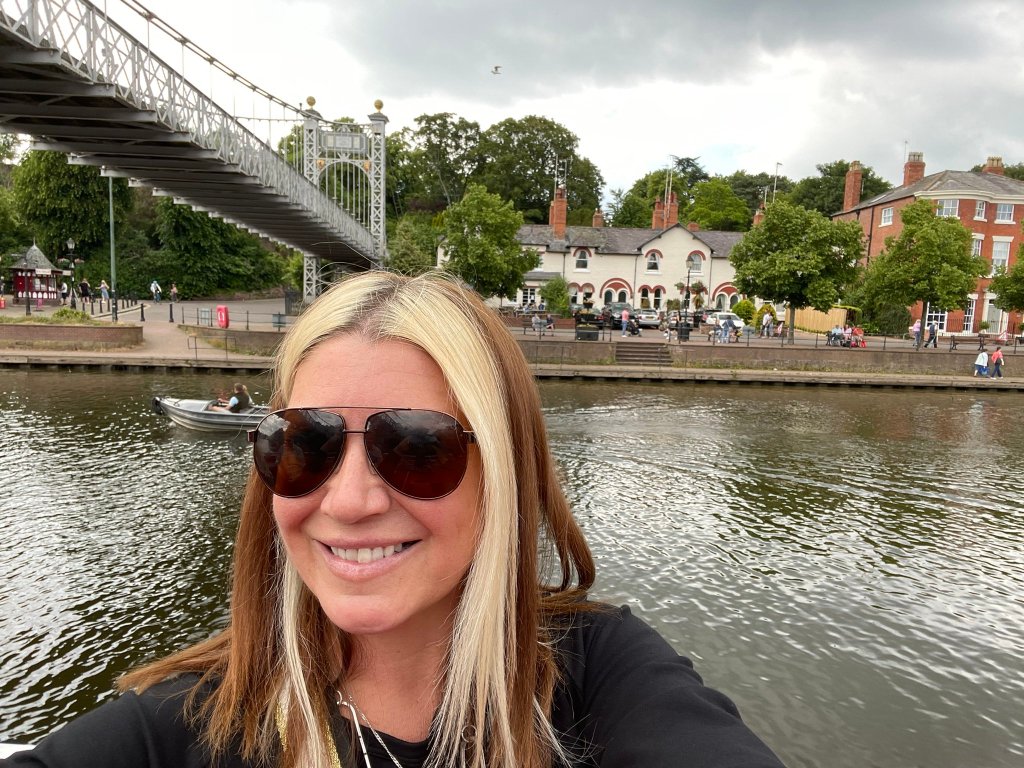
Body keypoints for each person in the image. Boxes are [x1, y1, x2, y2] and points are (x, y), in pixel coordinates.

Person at [0, 272, 784, 768]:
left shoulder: (599, 675)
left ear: (504, 476)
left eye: (415, 448)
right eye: (304, 444)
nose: (348, 501)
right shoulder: (190, 723)